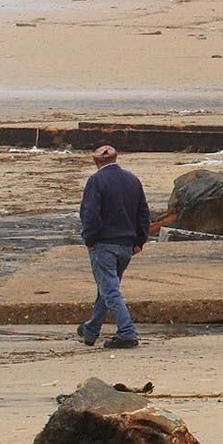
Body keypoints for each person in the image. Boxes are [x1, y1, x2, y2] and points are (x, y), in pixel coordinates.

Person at [77, 144, 151, 349]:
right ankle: (91, 330)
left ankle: (127, 332)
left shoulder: (96, 181)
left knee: (110, 291)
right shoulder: (132, 180)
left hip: (104, 243)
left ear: (95, 162)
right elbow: (143, 213)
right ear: (116, 159)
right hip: (126, 245)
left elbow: (90, 214)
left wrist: (89, 239)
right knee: (106, 288)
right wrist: (139, 241)